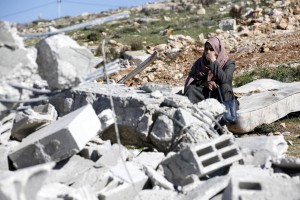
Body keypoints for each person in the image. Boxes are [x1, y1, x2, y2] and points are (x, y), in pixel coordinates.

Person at [183, 36, 237, 131]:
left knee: (225, 87)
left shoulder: (229, 64)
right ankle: (190, 114)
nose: (208, 52)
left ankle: (225, 116)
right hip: (206, 93)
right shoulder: (200, 63)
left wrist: (213, 62)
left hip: (220, 95)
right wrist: (205, 83)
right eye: (206, 49)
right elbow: (192, 79)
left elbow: (224, 79)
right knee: (191, 89)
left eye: (212, 49)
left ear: (218, 50)